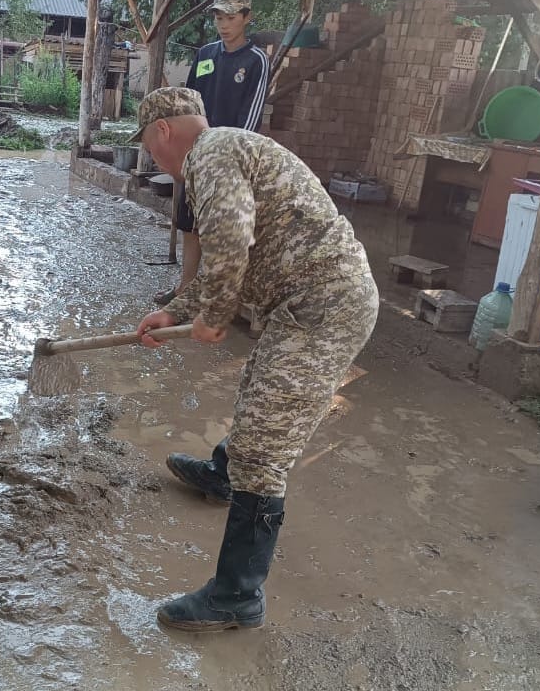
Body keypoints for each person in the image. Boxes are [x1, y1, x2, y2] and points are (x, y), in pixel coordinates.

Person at [130, 87, 378, 632]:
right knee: (259, 400)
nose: (154, 161)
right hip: (302, 304)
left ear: (163, 131)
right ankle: (224, 475)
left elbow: (231, 241)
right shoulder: (225, 147)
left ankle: (236, 596)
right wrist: (176, 311)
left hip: (324, 308)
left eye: (149, 148)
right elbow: (235, 247)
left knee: (267, 447)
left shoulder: (212, 152)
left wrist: (214, 315)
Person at [154, 0, 269, 308]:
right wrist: (182, 151)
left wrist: (228, 159)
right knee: (190, 223)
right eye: (219, 17)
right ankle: (185, 291)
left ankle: (216, 300)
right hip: (197, 155)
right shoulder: (205, 55)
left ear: (247, 18)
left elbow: (252, 117)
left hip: (229, 160)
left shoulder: (256, 60)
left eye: (231, 17)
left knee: (220, 230)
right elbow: (187, 105)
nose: (223, 24)